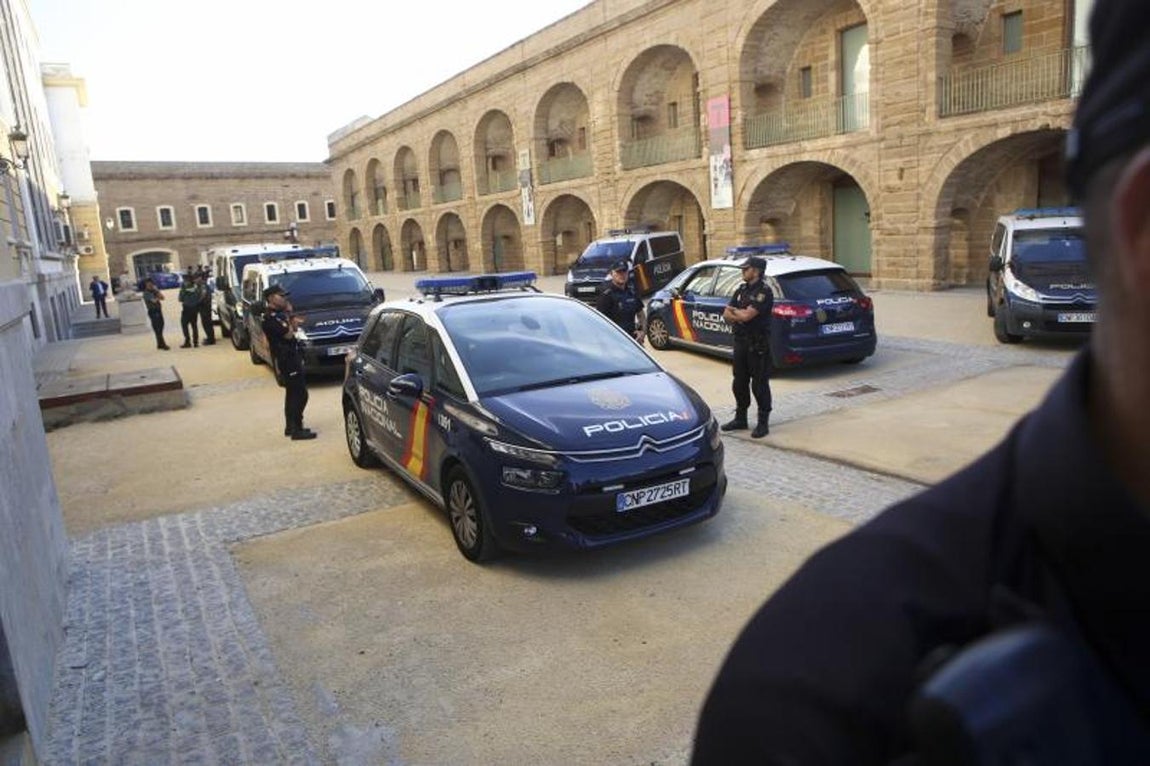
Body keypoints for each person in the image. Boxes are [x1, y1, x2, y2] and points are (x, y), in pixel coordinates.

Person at [691, 1, 1150, 761]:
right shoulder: (823, 704)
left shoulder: (769, 291)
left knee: (759, 395)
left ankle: (760, 422)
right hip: (751, 358)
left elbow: (756, 314)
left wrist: (754, 318)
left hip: (765, 355)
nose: (745, 276)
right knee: (747, 396)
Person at [719, 255, 773, 439]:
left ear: (756, 271)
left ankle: (763, 422)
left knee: (759, 384)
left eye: (746, 269)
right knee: (739, 382)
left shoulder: (764, 291)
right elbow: (726, 314)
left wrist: (738, 313)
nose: (743, 271)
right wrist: (738, 313)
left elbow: (747, 317)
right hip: (740, 342)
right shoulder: (741, 289)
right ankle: (740, 418)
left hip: (757, 344)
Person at [262, 284, 316, 440]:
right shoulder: (271, 318)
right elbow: (287, 335)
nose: (285, 299)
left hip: (292, 356)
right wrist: (289, 316)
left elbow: (292, 330)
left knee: (293, 393)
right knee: (300, 394)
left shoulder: (279, 315)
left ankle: (291, 427)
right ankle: (296, 429)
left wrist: (290, 319)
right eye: (281, 296)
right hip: (286, 359)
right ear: (271, 298)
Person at [595, 260, 645, 343]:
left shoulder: (632, 292)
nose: (622, 275)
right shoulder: (606, 295)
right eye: (618, 272)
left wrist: (642, 332)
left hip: (633, 340)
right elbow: (599, 322)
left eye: (624, 271)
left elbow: (641, 315)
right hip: (615, 342)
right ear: (612, 274)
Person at [141, 278, 170, 350]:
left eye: (151, 284)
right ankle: (163, 344)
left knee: (161, 326)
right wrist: (157, 296)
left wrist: (157, 292)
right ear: (146, 285)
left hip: (158, 310)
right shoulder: (146, 293)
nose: (150, 285)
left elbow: (163, 297)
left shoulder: (154, 291)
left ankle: (159, 343)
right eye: (148, 284)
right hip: (153, 311)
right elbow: (154, 301)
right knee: (157, 328)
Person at [177, 275, 204, 348]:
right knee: (194, 325)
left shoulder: (184, 290)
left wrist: (183, 291)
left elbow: (180, 299)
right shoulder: (196, 289)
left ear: (188, 281)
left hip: (186, 309)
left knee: (184, 325)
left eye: (185, 281)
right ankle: (195, 342)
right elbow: (200, 297)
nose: (184, 282)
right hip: (194, 309)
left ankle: (187, 341)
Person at [196, 271, 216, 345]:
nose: (195, 280)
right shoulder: (201, 285)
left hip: (205, 307)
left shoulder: (203, 286)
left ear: (200, 278)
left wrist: (197, 302)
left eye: (197, 278)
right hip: (204, 307)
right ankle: (210, 337)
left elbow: (203, 296)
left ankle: (211, 339)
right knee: (206, 323)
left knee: (207, 323)